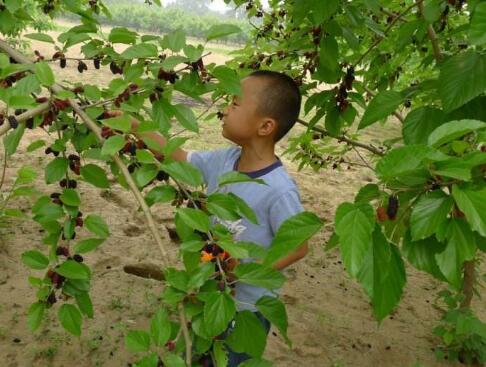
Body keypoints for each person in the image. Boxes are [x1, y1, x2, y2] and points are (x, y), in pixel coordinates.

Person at [130, 70, 308, 365]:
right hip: (212, 292)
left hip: (247, 308)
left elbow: (298, 246)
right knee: (199, 350)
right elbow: (180, 159)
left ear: (265, 126)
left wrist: (246, 268)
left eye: (235, 104)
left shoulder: (279, 190)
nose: (224, 109)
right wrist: (134, 125)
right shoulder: (225, 160)